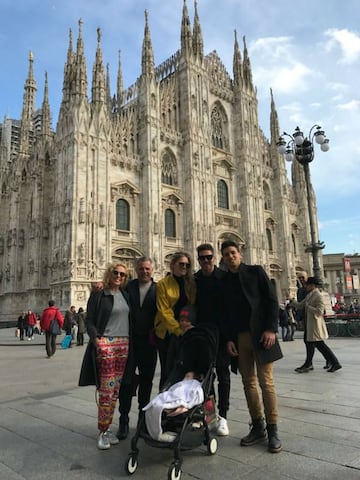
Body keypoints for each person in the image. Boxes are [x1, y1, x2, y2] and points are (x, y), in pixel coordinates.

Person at [220, 240, 283, 453]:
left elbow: (271, 300)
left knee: (266, 382)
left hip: (261, 335)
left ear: (240, 253)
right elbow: (226, 314)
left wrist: (271, 329)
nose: (230, 256)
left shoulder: (256, 272)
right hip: (240, 337)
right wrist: (229, 339)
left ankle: (273, 429)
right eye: (226, 254)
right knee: (248, 383)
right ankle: (258, 425)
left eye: (232, 253)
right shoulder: (225, 281)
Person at [82, 262, 131, 450]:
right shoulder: (99, 295)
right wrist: (97, 340)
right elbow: (90, 320)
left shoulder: (126, 295)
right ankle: (103, 430)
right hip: (107, 345)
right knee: (107, 388)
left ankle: (108, 428)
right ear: (109, 274)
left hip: (123, 345)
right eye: (115, 273)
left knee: (115, 390)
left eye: (122, 274)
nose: (119, 276)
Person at [117, 256, 158, 440]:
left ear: (152, 270)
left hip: (149, 343)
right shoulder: (127, 287)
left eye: (148, 269)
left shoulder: (159, 289)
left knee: (147, 382)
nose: (144, 271)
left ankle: (142, 421)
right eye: (141, 268)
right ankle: (123, 420)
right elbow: (111, 293)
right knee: (126, 382)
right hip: (130, 342)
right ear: (136, 269)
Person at [194, 243, 230, 436]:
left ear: (214, 258)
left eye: (209, 257)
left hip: (222, 336)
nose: (206, 261)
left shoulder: (224, 278)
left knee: (224, 376)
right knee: (205, 378)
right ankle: (210, 416)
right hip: (202, 336)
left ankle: (223, 416)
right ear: (198, 259)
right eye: (202, 258)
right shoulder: (195, 280)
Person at [154, 251, 196, 390]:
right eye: (181, 264)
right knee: (167, 371)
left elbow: (193, 306)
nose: (184, 267)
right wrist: (178, 330)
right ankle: (165, 407)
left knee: (186, 369)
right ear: (172, 265)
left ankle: (182, 406)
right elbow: (164, 310)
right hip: (167, 333)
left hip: (186, 331)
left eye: (187, 265)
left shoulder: (191, 283)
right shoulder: (163, 284)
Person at [291, 277, 342, 373]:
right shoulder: (310, 295)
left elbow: (319, 311)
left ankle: (334, 363)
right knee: (314, 344)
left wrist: (309, 307)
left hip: (315, 325)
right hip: (310, 325)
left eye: (308, 284)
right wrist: (292, 301)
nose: (305, 286)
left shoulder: (318, 295)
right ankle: (310, 364)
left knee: (320, 345)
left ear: (312, 285)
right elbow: (300, 305)